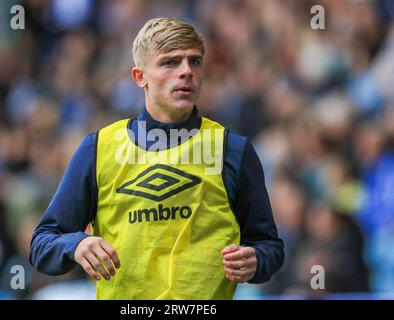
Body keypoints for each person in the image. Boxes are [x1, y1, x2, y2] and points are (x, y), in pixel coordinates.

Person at [29, 17, 284, 300]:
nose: (186, 72)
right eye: (170, 63)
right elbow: (42, 244)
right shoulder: (98, 148)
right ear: (140, 77)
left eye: (195, 62)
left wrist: (256, 260)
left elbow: (269, 246)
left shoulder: (232, 149)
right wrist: (75, 245)